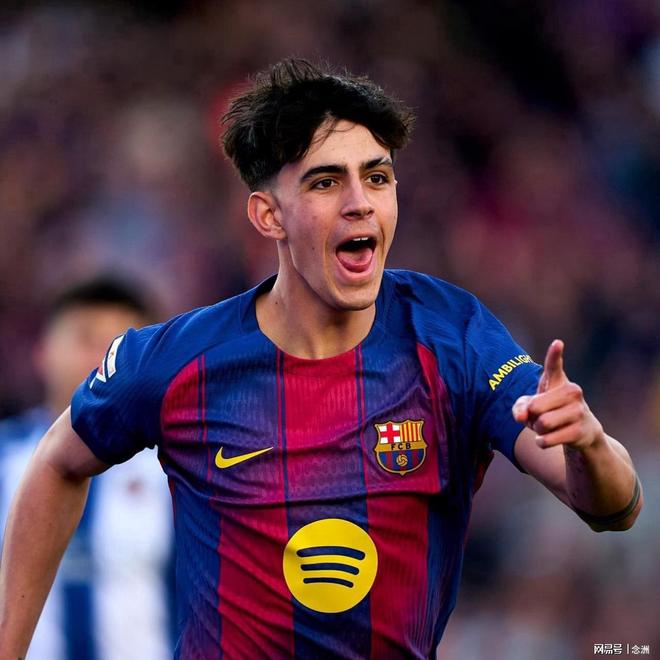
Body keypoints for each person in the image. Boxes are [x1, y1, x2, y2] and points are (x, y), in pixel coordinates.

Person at [0, 60, 642, 659]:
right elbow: (57, 462)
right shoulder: (179, 362)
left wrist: (588, 444)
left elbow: (612, 507)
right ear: (268, 216)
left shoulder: (454, 339)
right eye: (326, 181)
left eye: (378, 177)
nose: (360, 201)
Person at [0, 276, 175, 659]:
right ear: (43, 352)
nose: (102, 361)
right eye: (85, 339)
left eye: (118, 348)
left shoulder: (175, 470)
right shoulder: (4, 459)